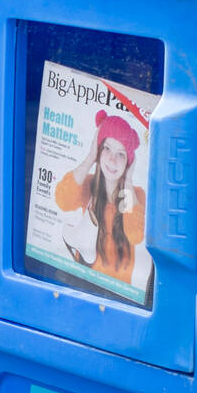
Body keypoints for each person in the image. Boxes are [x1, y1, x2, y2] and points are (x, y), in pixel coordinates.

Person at [54, 109, 146, 286]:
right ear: (99, 149)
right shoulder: (89, 186)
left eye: (121, 154)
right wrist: (90, 158)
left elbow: (135, 236)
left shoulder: (135, 195)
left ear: (129, 161)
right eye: (107, 148)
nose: (112, 160)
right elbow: (62, 201)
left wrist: (127, 182)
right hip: (81, 281)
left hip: (117, 293)